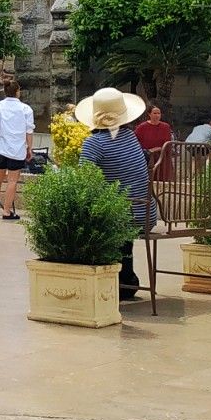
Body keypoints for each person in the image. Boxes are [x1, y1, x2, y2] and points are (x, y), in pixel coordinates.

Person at [75, 86, 153, 302]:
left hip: (123, 213)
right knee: (119, 210)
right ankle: (126, 278)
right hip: (145, 211)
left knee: (81, 219)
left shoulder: (94, 144)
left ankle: (109, 280)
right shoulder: (130, 136)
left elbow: (83, 181)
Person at [0, 78, 35, 220]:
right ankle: (7, 211)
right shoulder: (26, 109)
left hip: (0, 147)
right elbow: (29, 130)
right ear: (18, 92)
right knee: (12, 181)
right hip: (18, 149)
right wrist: (29, 148)